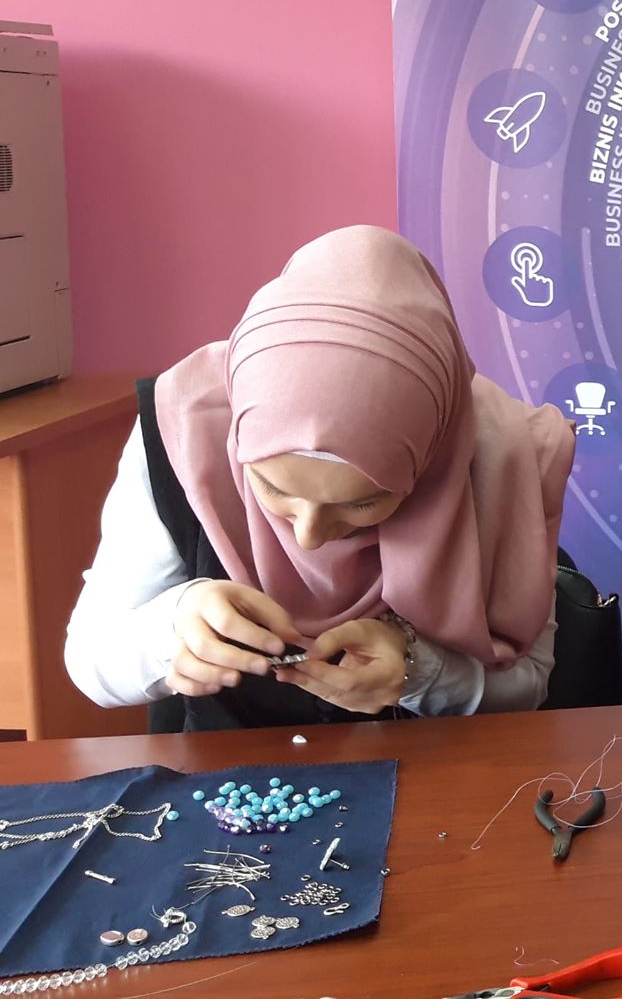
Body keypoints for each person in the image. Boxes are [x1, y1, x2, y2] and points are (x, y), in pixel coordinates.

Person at [65, 225, 576, 729]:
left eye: (362, 502)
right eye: (272, 487)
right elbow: (91, 665)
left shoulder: (503, 457)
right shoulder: (183, 433)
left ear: (430, 461)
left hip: (438, 772)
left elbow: (528, 688)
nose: (308, 536)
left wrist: (420, 670)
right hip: (220, 771)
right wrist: (176, 623)